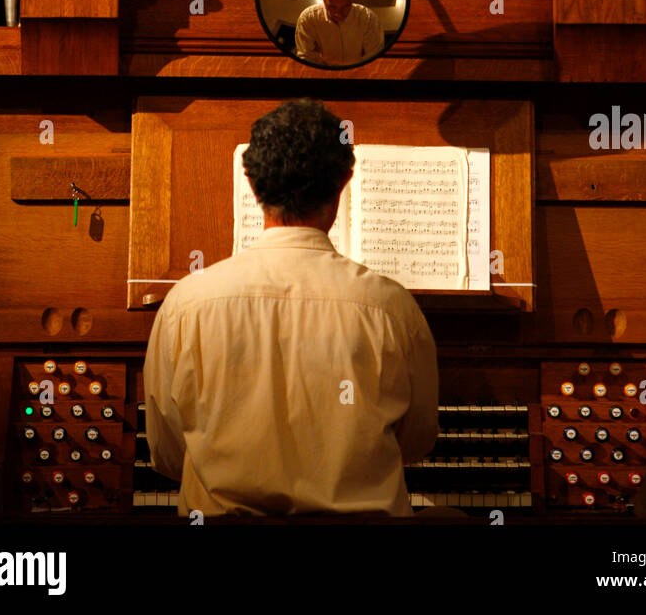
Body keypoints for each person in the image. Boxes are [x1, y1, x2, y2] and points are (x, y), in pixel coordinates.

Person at [144, 99, 439, 517]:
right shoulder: (392, 307)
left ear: (249, 180)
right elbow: (416, 443)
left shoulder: (186, 305)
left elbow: (169, 455)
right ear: (344, 182)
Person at [294, 0, 385, 66]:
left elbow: (373, 57)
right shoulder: (308, 18)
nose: (339, 14)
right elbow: (306, 57)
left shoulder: (368, 19)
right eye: (332, 7)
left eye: (345, 6)